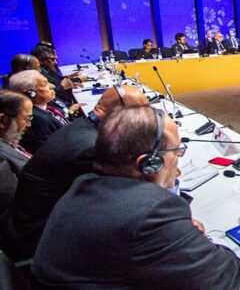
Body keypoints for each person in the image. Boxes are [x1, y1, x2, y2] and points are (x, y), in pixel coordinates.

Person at [31, 106, 240, 289]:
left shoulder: (84, 184)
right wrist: (185, 234)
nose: (179, 159)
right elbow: (223, 276)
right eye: (177, 151)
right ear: (150, 163)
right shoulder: (151, 212)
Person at [1, 85, 148, 261]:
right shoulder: (91, 148)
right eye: (143, 113)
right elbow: (112, 205)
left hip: (31, 224)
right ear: (122, 113)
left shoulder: (82, 126)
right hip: (41, 240)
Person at [9, 71, 77, 154]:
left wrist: (71, 112)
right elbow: (52, 153)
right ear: (30, 94)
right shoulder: (35, 120)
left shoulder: (45, 107)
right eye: (44, 85)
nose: (53, 86)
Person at [0, 90, 33, 219]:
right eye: (26, 119)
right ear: (3, 120)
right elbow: (14, 208)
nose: (29, 125)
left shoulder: (8, 142)